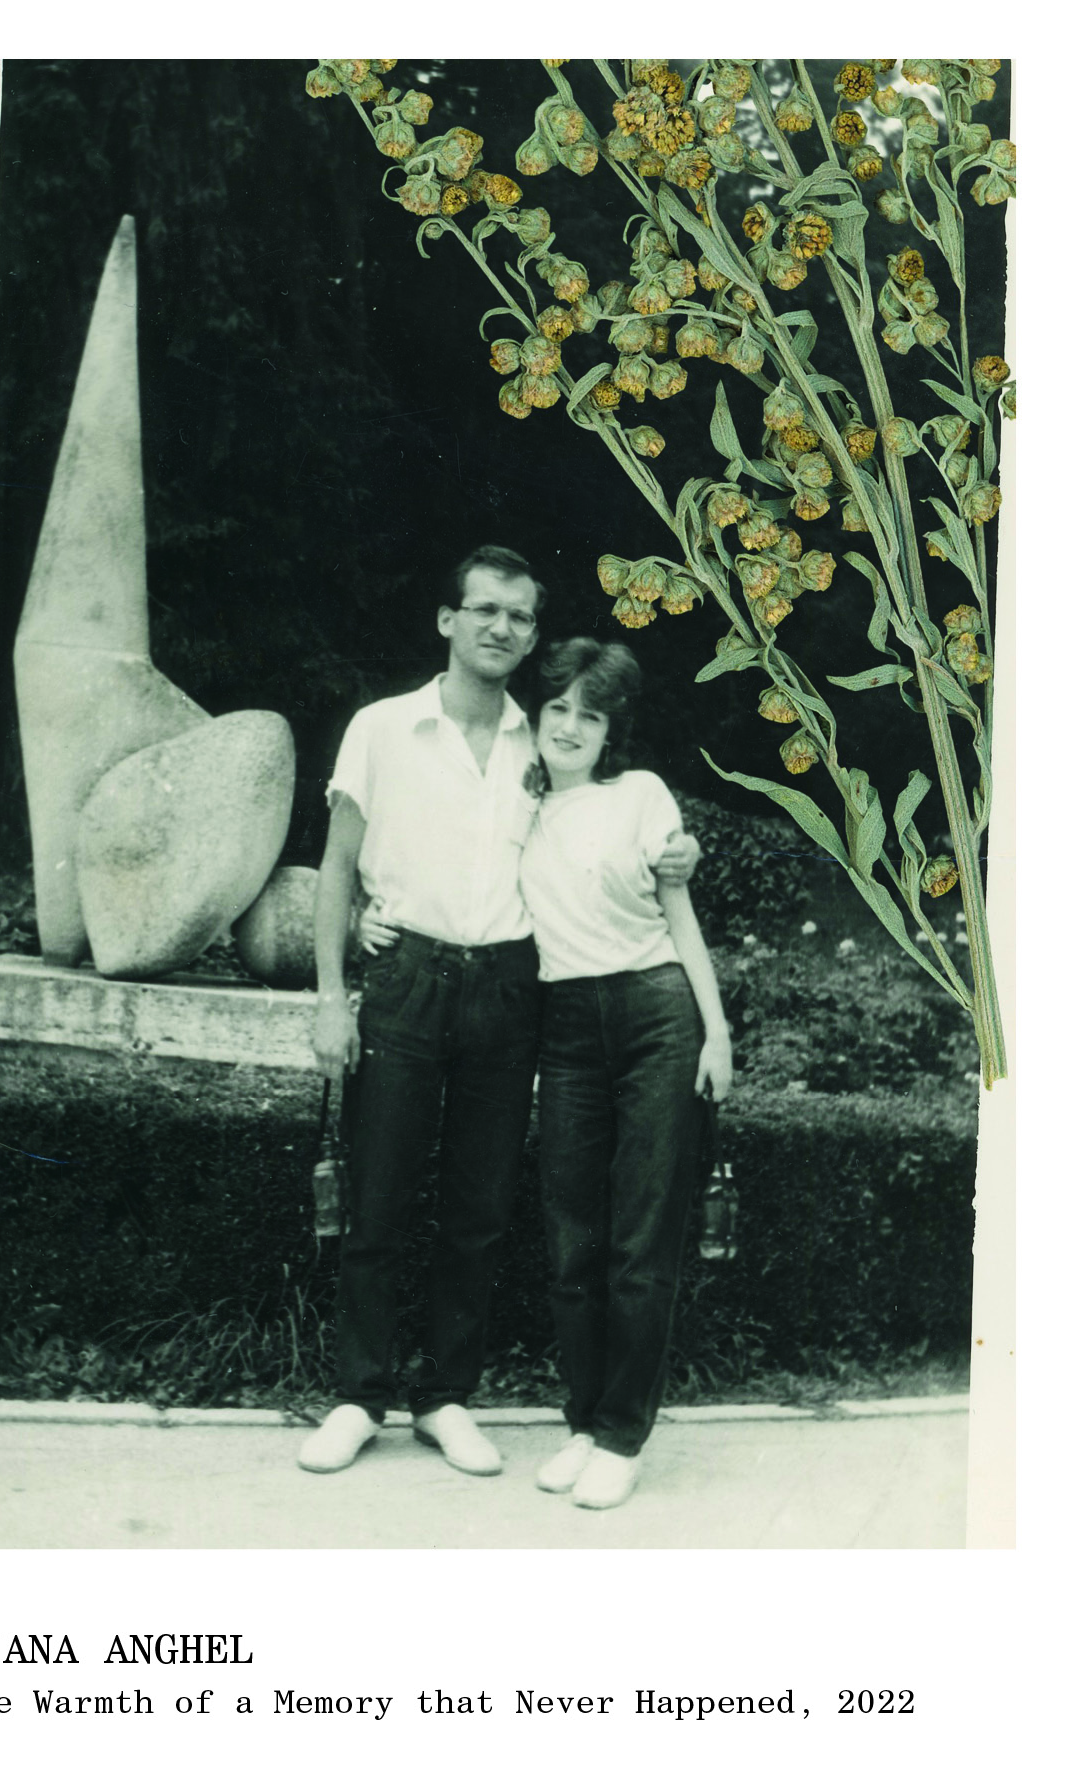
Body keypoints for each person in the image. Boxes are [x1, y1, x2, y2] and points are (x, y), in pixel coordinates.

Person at [298, 549, 700, 1479]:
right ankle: (359, 1394)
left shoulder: (546, 735)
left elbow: (618, 828)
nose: (500, 628)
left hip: (510, 990)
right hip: (406, 982)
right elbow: (336, 865)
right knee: (379, 1198)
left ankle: (444, 1396)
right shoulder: (383, 729)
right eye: (483, 610)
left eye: (519, 617)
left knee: (479, 1210)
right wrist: (331, 991)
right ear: (447, 620)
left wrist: (679, 856)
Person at [518, 638, 733, 1509]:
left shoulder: (640, 797)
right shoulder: (513, 806)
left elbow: (680, 922)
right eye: (558, 708)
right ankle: (581, 1421)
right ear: (537, 716)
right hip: (564, 1030)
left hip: (655, 1018)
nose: (570, 726)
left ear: (612, 732)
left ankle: (621, 1436)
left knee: (641, 1241)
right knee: (573, 1241)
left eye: (590, 714)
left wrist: (714, 1033)